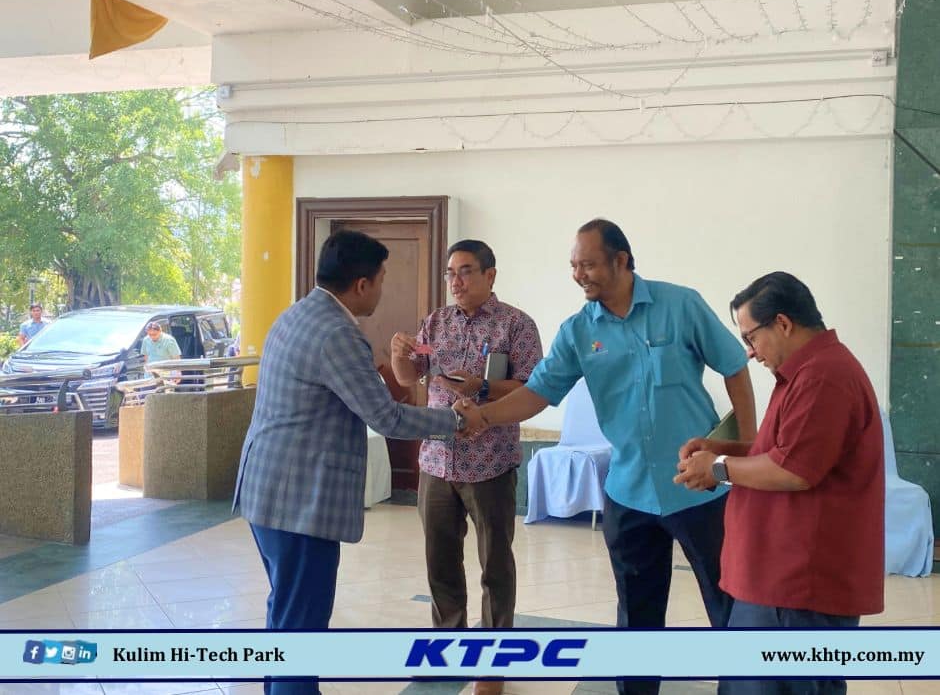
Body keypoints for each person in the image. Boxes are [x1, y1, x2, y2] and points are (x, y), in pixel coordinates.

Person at [456, 219, 757, 695]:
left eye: (589, 264)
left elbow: (735, 366)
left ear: (622, 260)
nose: (580, 275)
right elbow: (539, 392)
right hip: (629, 491)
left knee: (730, 607)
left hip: (699, 490)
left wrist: (745, 443)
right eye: (574, 266)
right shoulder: (579, 331)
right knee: (636, 618)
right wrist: (485, 416)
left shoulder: (680, 305)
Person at [233, 229, 473, 695]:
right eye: (381, 279)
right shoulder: (337, 334)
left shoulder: (296, 314)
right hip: (298, 503)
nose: (382, 289)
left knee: (286, 614)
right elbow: (386, 416)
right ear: (362, 284)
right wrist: (456, 420)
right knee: (301, 625)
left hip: (268, 491)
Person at [675, 272, 884, 695]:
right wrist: (723, 449)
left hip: (797, 589)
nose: (750, 352)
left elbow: (794, 471)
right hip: (776, 580)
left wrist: (718, 467)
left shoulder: (823, 376)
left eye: (751, 338)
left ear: (783, 323)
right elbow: (783, 451)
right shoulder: (806, 373)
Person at [390, 240, 542, 695]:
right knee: (440, 562)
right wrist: (398, 354)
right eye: (450, 273)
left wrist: (484, 388)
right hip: (437, 462)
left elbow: (534, 386)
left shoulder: (516, 324)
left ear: (490, 275)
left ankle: (493, 662)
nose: (456, 281)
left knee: (495, 565)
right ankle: (447, 647)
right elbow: (409, 376)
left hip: (490, 463)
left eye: (466, 271)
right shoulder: (435, 322)